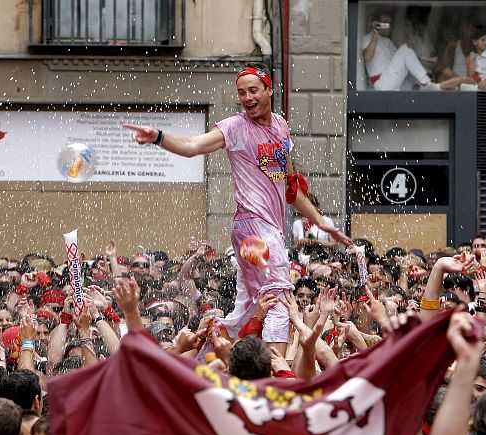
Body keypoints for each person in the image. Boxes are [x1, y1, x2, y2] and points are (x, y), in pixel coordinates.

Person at [123, 62, 352, 356]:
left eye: (253, 90)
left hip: (268, 231)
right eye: (241, 93)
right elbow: (193, 146)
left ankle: (202, 359)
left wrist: (321, 221)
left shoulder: (281, 127)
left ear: (269, 90)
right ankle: (276, 376)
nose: (246, 98)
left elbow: (291, 189)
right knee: (279, 297)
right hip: (252, 227)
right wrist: (159, 137)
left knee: (248, 307)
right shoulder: (235, 126)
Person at [361, 10, 447, 91]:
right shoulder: (368, 38)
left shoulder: (387, 41)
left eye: (389, 24)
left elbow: (400, 61)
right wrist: (375, 35)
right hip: (382, 81)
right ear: (376, 24)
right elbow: (367, 57)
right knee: (405, 49)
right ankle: (427, 82)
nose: (388, 27)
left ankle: (426, 85)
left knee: (414, 87)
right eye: (384, 24)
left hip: (391, 79)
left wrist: (410, 53)